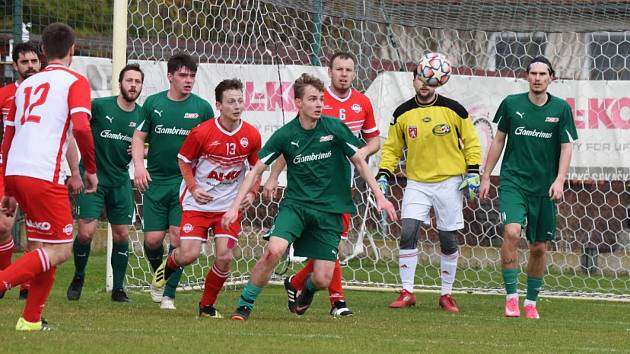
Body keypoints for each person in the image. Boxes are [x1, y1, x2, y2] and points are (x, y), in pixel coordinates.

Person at [224, 73, 397, 321]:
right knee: (274, 251)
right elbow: (256, 170)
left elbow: (359, 160)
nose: (319, 104)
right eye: (312, 99)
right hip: (296, 206)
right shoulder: (286, 134)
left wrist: (380, 196)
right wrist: (233, 207)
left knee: (323, 278)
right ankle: (244, 305)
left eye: (321, 99)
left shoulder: (334, 128)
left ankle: (304, 289)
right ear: (298, 102)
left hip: (329, 210)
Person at [263, 52, 381, 317]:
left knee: (334, 247)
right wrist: (272, 176)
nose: (344, 74)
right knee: (331, 247)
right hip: (312, 189)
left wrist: (361, 154)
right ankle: (337, 301)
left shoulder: (362, 103)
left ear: (354, 73)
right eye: (339, 69)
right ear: (330, 72)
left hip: (341, 186)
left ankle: (297, 283)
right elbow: (289, 144)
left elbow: (374, 140)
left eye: (349, 69)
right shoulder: (316, 99)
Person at [0, 22, 97, 331]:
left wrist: (6, 185)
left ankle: (30, 320)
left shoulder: (25, 85)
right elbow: (81, 127)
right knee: (60, 250)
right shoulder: (75, 81)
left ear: (42, 52)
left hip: (17, 170)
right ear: (73, 50)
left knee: (45, 246)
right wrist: (91, 171)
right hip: (44, 174)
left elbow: (8, 137)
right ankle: (3, 281)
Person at [377, 56, 481, 313]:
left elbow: (471, 141)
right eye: (420, 78)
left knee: (447, 237)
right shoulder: (402, 113)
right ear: (414, 80)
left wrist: (473, 171)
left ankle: (446, 294)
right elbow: (391, 148)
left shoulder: (455, 109)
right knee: (408, 230)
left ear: (439, 81)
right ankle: (407, 291)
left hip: (449, 182)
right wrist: (383, 174)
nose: (424, 83)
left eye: (429, 79)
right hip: (417, 183)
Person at [151, 78, 261, 318]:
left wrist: (252, 192)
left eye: (240, 100)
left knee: (224, 256)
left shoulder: (251, 135)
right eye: (231, 101)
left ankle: (206, 306)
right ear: (218, 105)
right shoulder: (202, 132)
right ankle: (167, 266)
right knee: (189, 254)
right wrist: (192, 187)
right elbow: (184, 160)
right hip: (198, 204)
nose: (237, 106)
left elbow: (257, 168)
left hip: (229, 208)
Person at [479, 56, 577, 319]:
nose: (537, 78)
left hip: (544, 187)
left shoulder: (560, 109)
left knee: (539, 247)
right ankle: (511, 298)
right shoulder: (512, 104)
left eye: (542, 74)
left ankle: (531, 301)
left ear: (551, 78)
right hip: (514, 181)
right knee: (511, 232)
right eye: (532, 73)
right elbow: (499, 141)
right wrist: (486, 175)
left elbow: (567, 147)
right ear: (526, 77)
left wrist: (559, 179)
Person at [131, 53, 214, 310]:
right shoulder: (153, 104)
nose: (188, 80)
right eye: (182, 75)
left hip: (185, 184)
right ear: (170, 76)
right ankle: (160, 277)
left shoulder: (202, 108)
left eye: (192, 75)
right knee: (153, 240)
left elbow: (212, 144)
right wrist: (139, 167)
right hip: (156, 182)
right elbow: (138, 137)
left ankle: (168, 294)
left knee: (178, 237)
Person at [66, 64, 145, 302]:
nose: (133, 85)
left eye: (137, 82)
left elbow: (146, 146)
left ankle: (118, 288)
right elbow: (76, 129)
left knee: (121, 234)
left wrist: (143, 150)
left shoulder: (142, 115)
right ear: (120, 83)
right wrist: (76, 171)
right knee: (86, 233)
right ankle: (79, 275)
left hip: (120, 179)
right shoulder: (100, 107)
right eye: (129, 80)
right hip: (93, 177)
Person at [0, 41, 42, 300]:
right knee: (4, 226)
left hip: (40, 167)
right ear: (15, 66)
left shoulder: (49, 93)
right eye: (25, 62)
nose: (30, 67)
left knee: (38, 230)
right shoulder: (5, 94)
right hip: (8, 168)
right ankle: (5, 277)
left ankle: (28, 284)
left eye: (34, 61)